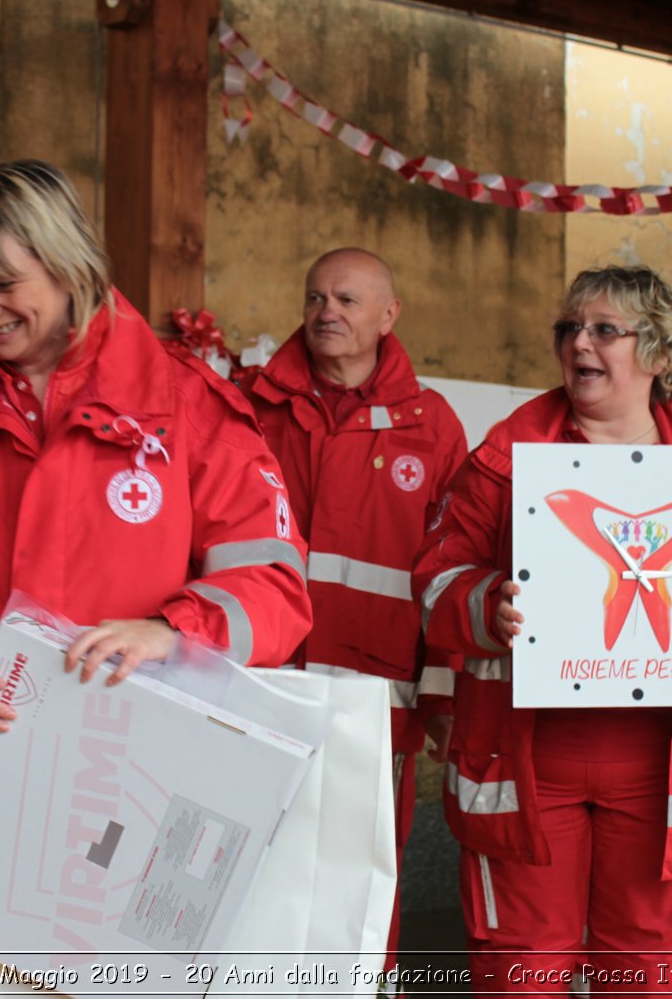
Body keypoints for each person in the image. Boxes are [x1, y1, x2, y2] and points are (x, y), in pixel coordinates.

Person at [0, 159, 312, 991]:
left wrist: (173, 632)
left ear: (69, 266)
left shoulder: (185, 403)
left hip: (128, 801)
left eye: (1, 283)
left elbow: (273, 580)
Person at [411, 266, 672, 997]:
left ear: (656, 351)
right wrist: (487, 603)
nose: (577, 342)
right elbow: (434, 580)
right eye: (569, 328)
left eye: (602, 329)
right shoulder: (504, 458)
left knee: (653, 974)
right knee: (520, 973)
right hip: (527, 765)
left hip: (664, 769)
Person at [247, 247, 466, 975]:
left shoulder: (431, 427)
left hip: (374, 699)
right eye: (315, 298)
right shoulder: (248, 407)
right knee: (249, 868)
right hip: (262, 682)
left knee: (365, 876)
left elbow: (450, 571)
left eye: (345, 299)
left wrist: (441, 698)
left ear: (388, 315)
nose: (326, 312)